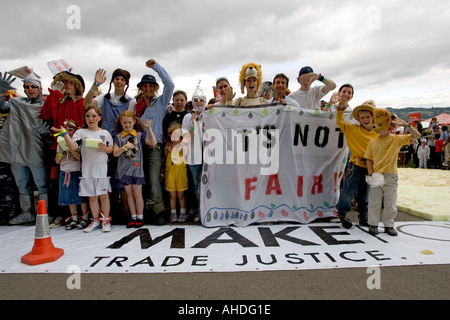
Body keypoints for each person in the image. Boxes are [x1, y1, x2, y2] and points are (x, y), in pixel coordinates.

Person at [52, 105, 114, 232]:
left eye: (94, 116)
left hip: (102, 171)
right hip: (87, 171)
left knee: (103, 196)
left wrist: (105, 149)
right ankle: (95, 220)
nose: (91, 119)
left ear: (99, 118)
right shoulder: (80, 133)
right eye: (88, 116)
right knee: (92, 197)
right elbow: (74, 147)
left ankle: (106, 220)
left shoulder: (105, 133)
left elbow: (111, 149)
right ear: (84, 118)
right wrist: (64, 134)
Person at [0, 72, 50, 225]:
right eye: (27, 86)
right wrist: (1, 92)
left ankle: (44, 213)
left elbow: (53, 126)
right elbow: (2, 107)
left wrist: (45, 132)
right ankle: (27, 212)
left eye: (33, 86)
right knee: (22, 183)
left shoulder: (45, 107)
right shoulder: (17, 103)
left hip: (35, 148)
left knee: (42, 184)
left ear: (39, 88)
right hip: (16, 148)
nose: (30, 89)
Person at [365, 108, 421, 236]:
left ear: (389, 126)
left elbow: (417, 136)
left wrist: (407, 125)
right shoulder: (372, 142)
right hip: (376, 175)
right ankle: (373, 224)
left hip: (391, 175)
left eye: (379, 124)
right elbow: (368, 159)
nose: (376, 126)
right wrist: (371, 173)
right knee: (374, 201)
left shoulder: (396, 139)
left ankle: (389, 224)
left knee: (390, 201)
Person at [41, 70, 86, 226]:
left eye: (70, 82)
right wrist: (54, 94)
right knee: (57, 182)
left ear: (77, 86)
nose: (67, 85)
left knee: (79, 181)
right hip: (58, 148)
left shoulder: (81, 102)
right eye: (64, 82)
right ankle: (62, 214)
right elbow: (46, 115)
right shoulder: (57, 101)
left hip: (78, 147)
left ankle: (83, 215)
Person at [135, 59, 175, 225]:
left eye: (151, 86)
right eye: (145, 86)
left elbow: (170, 85)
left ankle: (160, 212)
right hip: (139, 148)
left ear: (156, 88)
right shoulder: (136, 105)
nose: (148, 88)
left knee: (153, 181)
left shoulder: (161, 103)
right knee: (141, 182)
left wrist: (156, 67)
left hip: (154, 148)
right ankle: (146, 212)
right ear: (141, 88)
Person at [335, 100, 379, 228]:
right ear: (359, 119)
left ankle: (364, 216)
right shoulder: (353, 129)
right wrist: (340, 110)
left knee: (366, 192)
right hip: (355, 164)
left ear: (373, 117)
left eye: (368, 117)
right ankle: (342, 214)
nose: (365, 119)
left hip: (371, 167)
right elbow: (340, 123)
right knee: (347, 190)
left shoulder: (378, 133)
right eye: (362, 117)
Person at [113, 110, 156, 228]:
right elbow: (115, 153)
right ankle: (133, 216)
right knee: (128, 194)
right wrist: (124, 147)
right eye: (125, 123)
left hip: (136, 169)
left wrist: (149, 129)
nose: (127, 125)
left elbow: (153, 142)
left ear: (134, 122)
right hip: (123, 170)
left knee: (137, 193)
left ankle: (140, 216)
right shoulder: (118, 137)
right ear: (121, 123)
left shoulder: (139, 135)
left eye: (130, 122)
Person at [53, 119, 89, 229]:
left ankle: (85, 216)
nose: (69, 133)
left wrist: (72, 149)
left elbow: (81, 158)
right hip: (65, 171)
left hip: (77, 171)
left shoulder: (78, 143)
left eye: (71, 130)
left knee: (81, 196)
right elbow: (57, 161)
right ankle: (73, 217)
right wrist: (60, 152)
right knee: (69, 197)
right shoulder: (60, 143)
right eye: (66, 130)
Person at [182, 81, 206, 222]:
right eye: (196, 100)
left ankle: (208, 208)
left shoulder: (210, 115)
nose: (198, 102)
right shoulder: (187, 117)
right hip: (193, 156)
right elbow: (185, 137)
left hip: (209, 156)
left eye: (201, 100)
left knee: (209, 183)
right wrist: (194, 123)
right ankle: (198, 211)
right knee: (196, 185)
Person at [164, 123, 189, 222]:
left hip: (181, 173)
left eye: (177, 135)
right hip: (170, 174)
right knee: (172, 195)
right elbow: (165, 160)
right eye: (173, 134)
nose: (175, 137)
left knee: (181, 195)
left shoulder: (182, 147)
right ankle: (173, 214)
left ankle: (182, 213)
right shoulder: (167, 147)